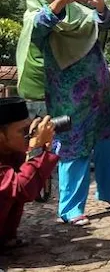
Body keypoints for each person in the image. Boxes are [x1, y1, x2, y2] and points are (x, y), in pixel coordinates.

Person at [15, 0, 110, 226]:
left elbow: (103, 26)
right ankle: (70, 208)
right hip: (69, 98)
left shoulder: (79, 12)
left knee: (108, 143)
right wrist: (59, 3)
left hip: (100, 91)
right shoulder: (36, 16)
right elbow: (41, 28)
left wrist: (99, 7)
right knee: (73, 148)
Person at [1, 98, 57, 249]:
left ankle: (6, 237)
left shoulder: (13, 151)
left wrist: (43, 150)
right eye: (22, 131)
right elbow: (23, 189)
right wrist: (36, 149)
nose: (29, 135)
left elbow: (33, 187)